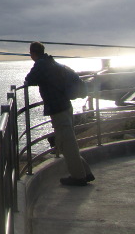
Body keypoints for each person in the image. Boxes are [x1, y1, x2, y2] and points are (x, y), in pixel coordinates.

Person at [25, 41, 95, 186]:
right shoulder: (51, 61)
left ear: (32, 53)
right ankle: (85, 172)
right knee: (68, 142)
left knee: (65, 143)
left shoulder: (41, 64)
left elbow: (29, 79)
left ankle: (78, 176)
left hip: (58, 108)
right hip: (65, 106)